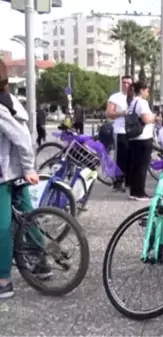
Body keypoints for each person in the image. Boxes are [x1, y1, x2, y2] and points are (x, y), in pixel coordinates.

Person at [0, 59, 49, 299]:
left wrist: (29, 167)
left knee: (3, 227)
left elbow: (21, 137)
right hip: (14, 171)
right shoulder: (10, 101)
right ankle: (41, 262)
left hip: (6, 174)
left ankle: (4, 280)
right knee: (27, 218)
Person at [126, 81, 156, 201]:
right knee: (142, 166)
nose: (148, 93)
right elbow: (146, 119)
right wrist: (154, 117)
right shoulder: (142, 102)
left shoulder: (132, 102)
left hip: (133, 137)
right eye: (147, 90)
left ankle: (134, 191)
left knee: (135, 165)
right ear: (142, 90)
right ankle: (139, 192)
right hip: (143, 137)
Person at [106, 75, 133, 192]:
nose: (126, 85)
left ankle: (129, 181)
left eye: (128, 83)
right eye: (124, 82)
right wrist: (122, 113)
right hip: (120, 130)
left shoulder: (134, 97)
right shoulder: (115, 97)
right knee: (120, 157)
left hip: (133, 132)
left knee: (131, 157)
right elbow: (109, 113)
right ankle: (118, 181)